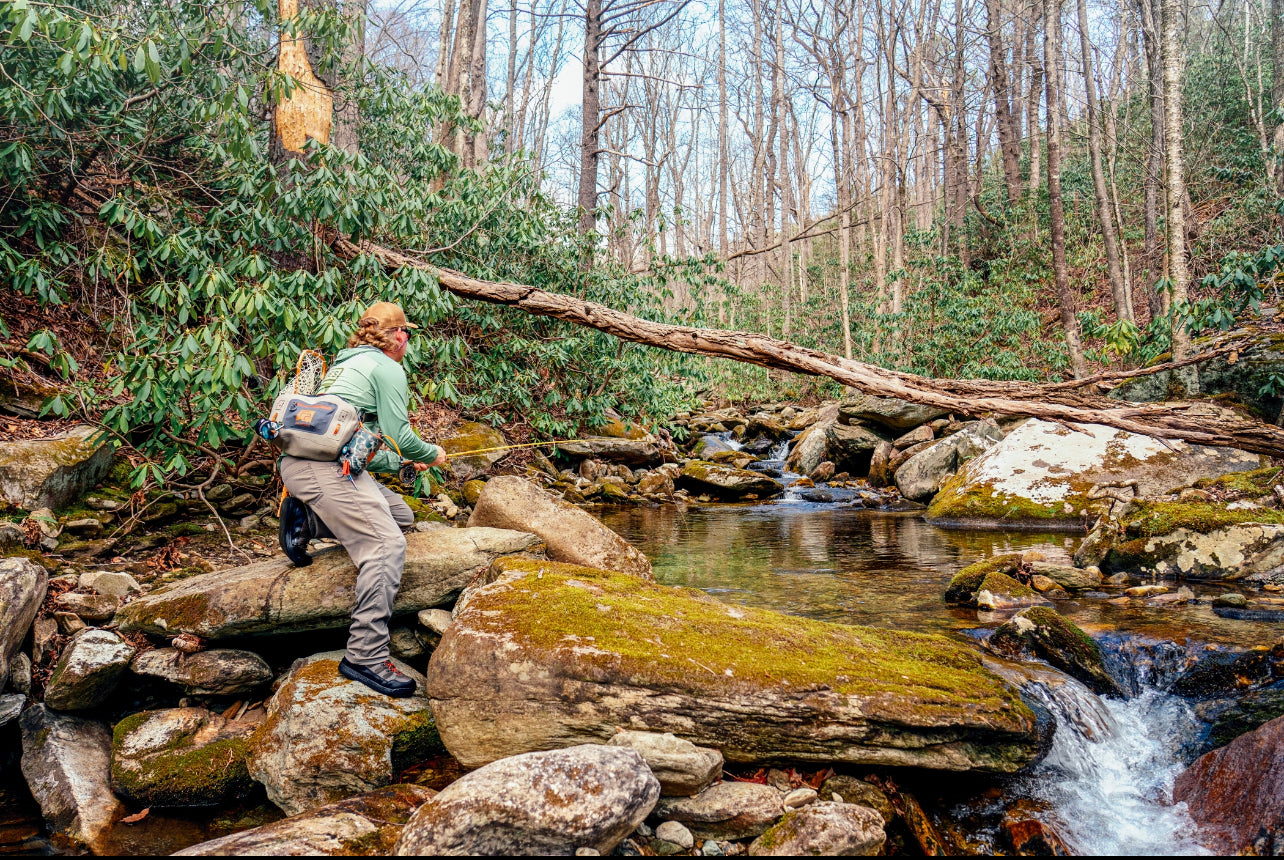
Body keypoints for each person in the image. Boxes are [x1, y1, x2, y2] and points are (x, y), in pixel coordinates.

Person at [276, 301, 447, 698]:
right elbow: (400, 435)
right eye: (408, 333)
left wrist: (402, 463)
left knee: (400, 515)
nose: (408, 340)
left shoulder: (344, 365)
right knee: (386, 545)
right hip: (321, 470)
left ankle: (306, 519)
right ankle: (365, 655)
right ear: (399, 335)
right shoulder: (387, 367)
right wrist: (431, 454)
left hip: (305, 465)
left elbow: (355, 445)